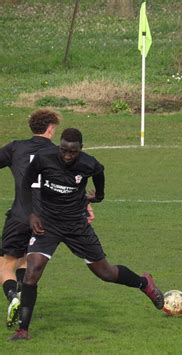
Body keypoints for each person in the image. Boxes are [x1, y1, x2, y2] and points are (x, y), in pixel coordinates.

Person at [10, 128, 164, 340]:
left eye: (72, 152)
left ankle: (144, 283)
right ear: (59, 146)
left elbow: (100, 173)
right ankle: (23, 330)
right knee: (33, 269)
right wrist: (32, 215)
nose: (66, 155)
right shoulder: (43, 159)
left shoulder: (88, 163)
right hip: (48, 224)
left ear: (80, 149)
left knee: (105, 273)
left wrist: (99, 195)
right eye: (63, 150)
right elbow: (26, 184)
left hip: (76, 226)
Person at [0, 109, 61, 329]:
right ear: (51, 129)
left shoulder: (16, 147)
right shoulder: (59, 152)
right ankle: (22, 302)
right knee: (27, 260)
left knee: (6, 263)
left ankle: (12, 297)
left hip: (19, 216)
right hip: (45, 220)